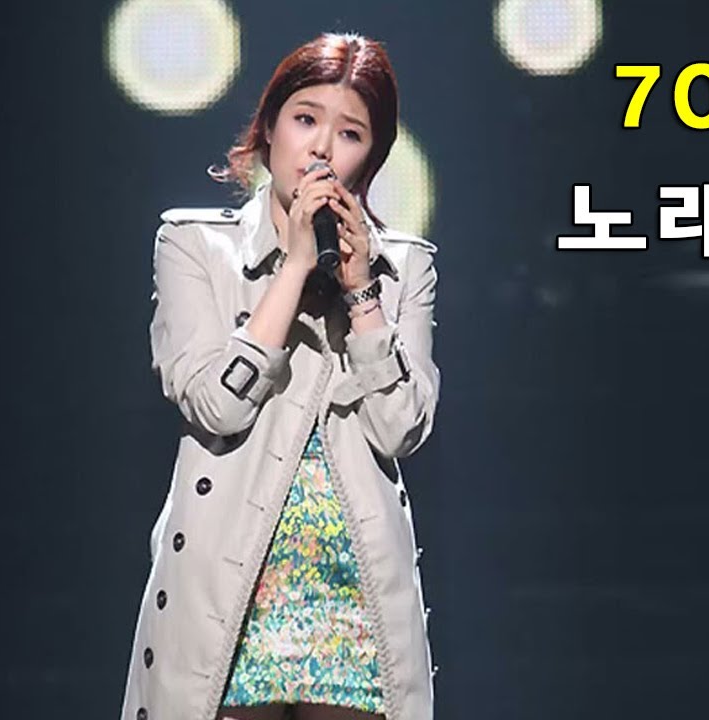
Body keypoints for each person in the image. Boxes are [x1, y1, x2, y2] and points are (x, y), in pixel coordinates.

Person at [119, 33, 441, 720]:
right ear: (269, 127)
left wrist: (361, 291)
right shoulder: (194, 245)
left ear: (370, 158)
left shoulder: (403, 267)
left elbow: (400, 428)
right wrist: (294, 267)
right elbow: (214, 405)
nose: (321, 148)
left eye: (349, 133)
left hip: (354, 592)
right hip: (231, 588)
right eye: (305, 118)